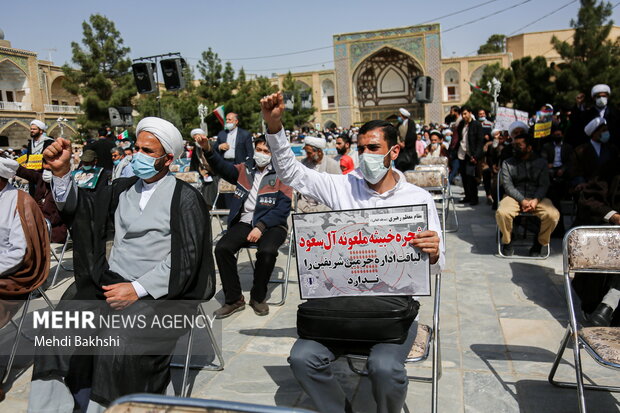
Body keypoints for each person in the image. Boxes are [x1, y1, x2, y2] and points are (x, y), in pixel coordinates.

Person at [260, 92, 444, 413]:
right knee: (302, 358)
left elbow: (437, 267)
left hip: (390, 313)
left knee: (385, 369)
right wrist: (274, 126)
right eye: (362, 149)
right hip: (341, 309)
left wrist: (433, 252)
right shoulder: (344, 186)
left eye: (374, 148)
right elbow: (291, 173)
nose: (366, 155)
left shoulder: (417, 199)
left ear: (394, 151)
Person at [29, 117, 216, 413]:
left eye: (147, 151)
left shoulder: (185, 198)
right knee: (57, 330)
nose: (137, 155)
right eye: (136, 148)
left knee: (117, 342)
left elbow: (187, 259)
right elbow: (87, 210)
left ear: (168, 159)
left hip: (159, 295)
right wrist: (63, 173)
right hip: (112, 281)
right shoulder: (123, 187)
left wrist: (137, 289)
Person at [196, 134, 292, 318]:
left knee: (267, 251)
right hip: (245, 221)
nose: (262, 154)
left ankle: (258, 297)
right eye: (259, 150)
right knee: (222, 248)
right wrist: (208, 149)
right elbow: (221, 167)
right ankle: (234, 299)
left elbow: (283, 208)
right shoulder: (244, 169)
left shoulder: (283, 174)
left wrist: (261, 226)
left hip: (272, 225)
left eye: (266, 151)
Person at [572, 150, 620, 326]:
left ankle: (610, 303)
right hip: (613, 232)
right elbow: (590, 201)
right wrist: (614, 216)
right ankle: (606, 304)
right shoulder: (610, 168)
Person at [496, 134, 560, 257]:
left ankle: (539, 243)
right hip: (514, 197)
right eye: (514, 145)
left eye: (519, 145)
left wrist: (535, 200)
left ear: (529, 148)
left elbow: (544, 185)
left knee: (552, 215)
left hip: (537, 197)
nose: (515, 148)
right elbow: (508, 186)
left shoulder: (541, 163)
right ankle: (508, 241)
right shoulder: (507, 163)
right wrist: (522, 200)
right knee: (502, 212)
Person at [15, 158, 68, 243]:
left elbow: (58, 215)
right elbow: (25, 172)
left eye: (49, 170)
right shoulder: (40, 179)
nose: (46, 173)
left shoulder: (62, 186)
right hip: (36, 221)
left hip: (52, 227)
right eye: (45, 169)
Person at [540, 127, 574, 236]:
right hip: (550, 173)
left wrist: (562, 169)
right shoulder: (547, 147)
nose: (558, 136)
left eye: (559, 134)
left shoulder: (568, 147)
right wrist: (548, 166)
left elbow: (570, 161)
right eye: (556, 134)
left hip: (563, 175)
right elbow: (543, 159)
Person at [571, 117, 618, 193]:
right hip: (588, 191)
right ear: (594, 133)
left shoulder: (612, 149)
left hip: (609, 190)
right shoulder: (580, 151)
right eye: (603, 131)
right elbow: (576, 172)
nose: (606, 133)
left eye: (607, 130)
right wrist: (581, 183)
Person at [298, 135, 342, 212]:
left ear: (319, 152)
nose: (307, 155)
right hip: (305, 204)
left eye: (309, 153)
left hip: (325, 205)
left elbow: (338, 189)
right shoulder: (304, 163)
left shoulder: (332, 165)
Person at [456, 106, 484, 205]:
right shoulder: (461, 125)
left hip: (471, 155)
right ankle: (467, 196)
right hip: (462, 154)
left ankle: (474, 198)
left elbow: (480, 142)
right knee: (464, 176)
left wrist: (476, 156)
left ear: (470, 113)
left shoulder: (476, 125)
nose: (464, 116)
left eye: (465, 113)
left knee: (471, 176)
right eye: (462, 114)